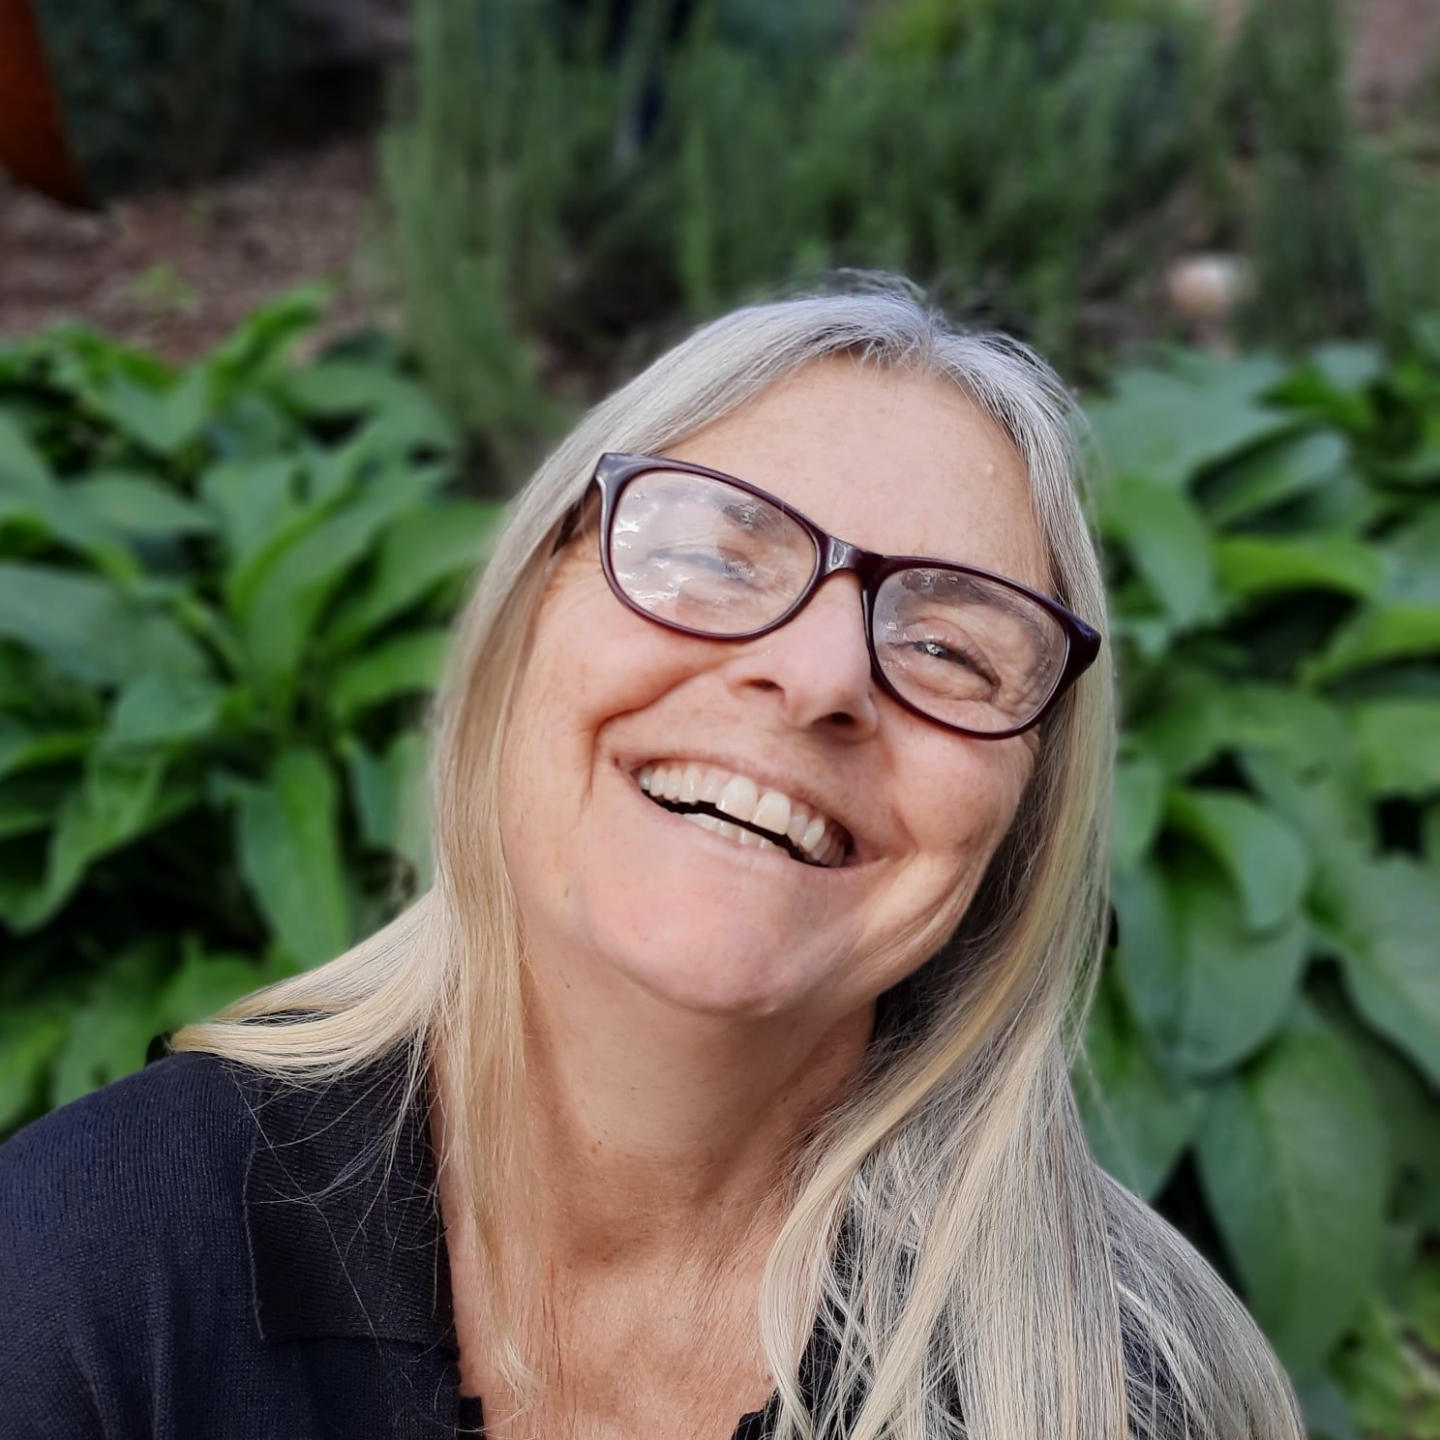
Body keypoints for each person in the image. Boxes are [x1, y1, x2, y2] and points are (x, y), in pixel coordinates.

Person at [0, 280, 1305, 1440]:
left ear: (1021, 818)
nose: (818, 676)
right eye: (710, 557)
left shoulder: (1128, 1392)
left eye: (948, 650)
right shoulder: (84, 1266)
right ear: (522, 618)